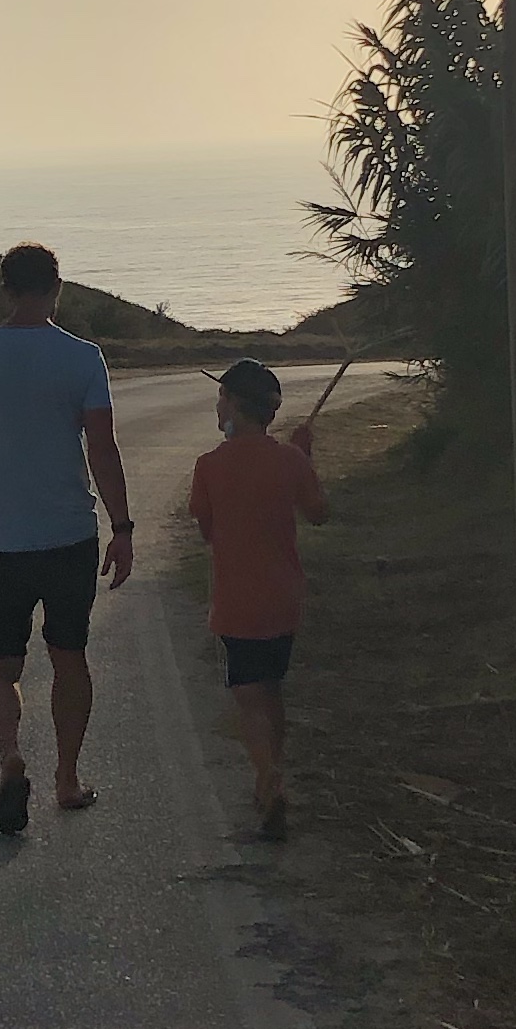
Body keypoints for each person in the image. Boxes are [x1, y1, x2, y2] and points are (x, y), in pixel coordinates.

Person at [0, 241, 133, 837]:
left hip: (3, 539)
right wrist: (122, 526)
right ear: (57, 288)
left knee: (1, 665)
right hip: (70, 532)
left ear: (5, 289)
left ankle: (10, 758)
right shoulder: (84, 358)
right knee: (69, 657)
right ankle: (67, 779)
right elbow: (102, 449)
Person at [188, 357, 328, 841]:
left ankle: (268, 780)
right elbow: (318, 513)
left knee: (249, 698)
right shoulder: (290, 460)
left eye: (221, 398)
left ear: (234, 405)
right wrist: (303, 458)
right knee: (271, 690)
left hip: (237, 601)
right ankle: (271, 773)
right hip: (283, 598)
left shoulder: (209, 466)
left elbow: (207, 530)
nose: (218, 407)